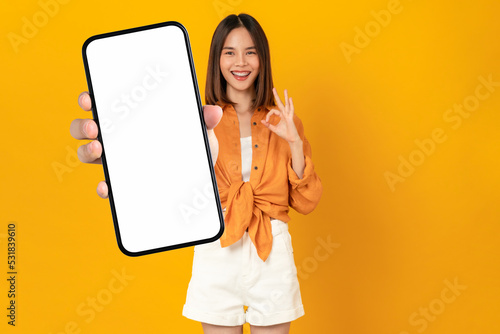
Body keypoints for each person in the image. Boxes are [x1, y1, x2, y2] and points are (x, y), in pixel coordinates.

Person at [70, 13, 322, 334]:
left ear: (263, 57)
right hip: (217, 244)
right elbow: (172, 180)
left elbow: (306, 201)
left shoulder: (284, 120)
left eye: (251, 51)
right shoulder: (200, 119)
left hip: (270, 247)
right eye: (229, 52)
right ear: (217, 58)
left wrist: (295, 141)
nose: (240, 62)